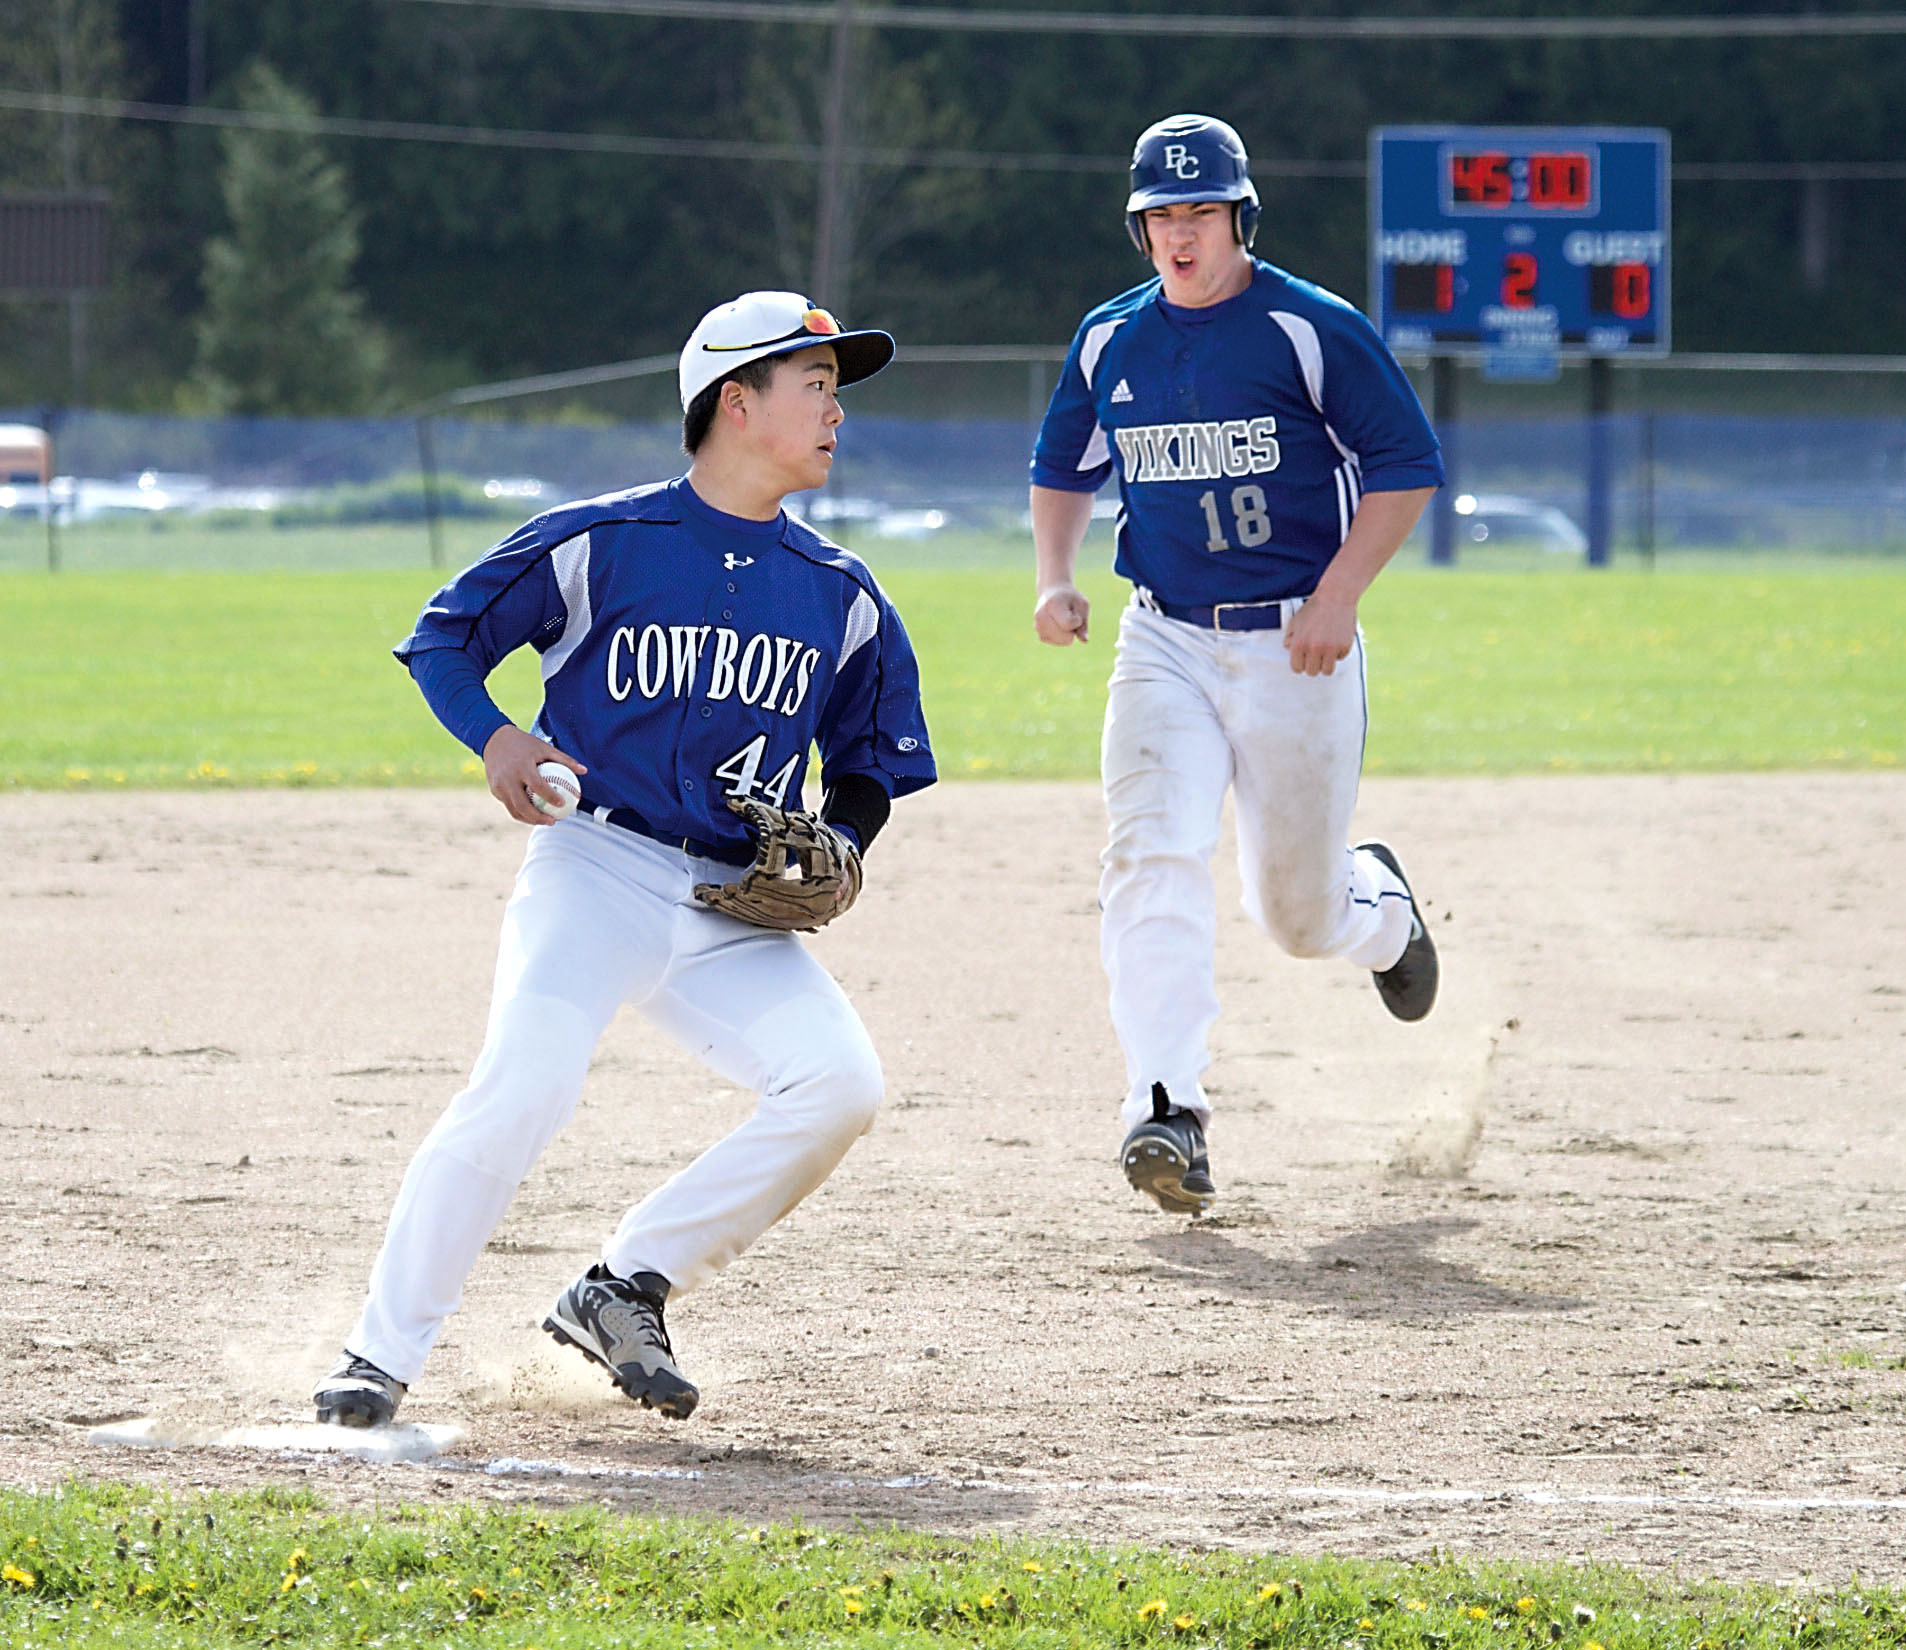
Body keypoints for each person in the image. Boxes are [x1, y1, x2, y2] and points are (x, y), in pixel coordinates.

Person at [313, 291, 936, 1427]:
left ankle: (622, 1285)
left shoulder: (841, 593)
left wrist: (844, 838)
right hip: (594, 869)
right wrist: (496, 738)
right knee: (525, 1086)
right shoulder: (603, 542)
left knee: (837, 1086)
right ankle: (377, 1354)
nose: (835, 411)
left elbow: (873, 758)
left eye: (836, 391)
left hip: (729, 907)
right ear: (735, 404)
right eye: (815, 386)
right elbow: (444, 638)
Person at [1030, 114, 1444, 1218]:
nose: (1179, 232)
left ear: (1238, 218)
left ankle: (1384, 913)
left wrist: (1337, 596)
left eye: (1199, 211)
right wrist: (1053, 573)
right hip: (1161, 631)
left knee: (1295, 917)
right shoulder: (1109, 338)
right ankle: (1164, 1108)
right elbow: (1062, 466)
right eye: (1160, 214)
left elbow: (1404, 467)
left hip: (1291, 647)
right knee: (1148, 852)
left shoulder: (1310, 330)